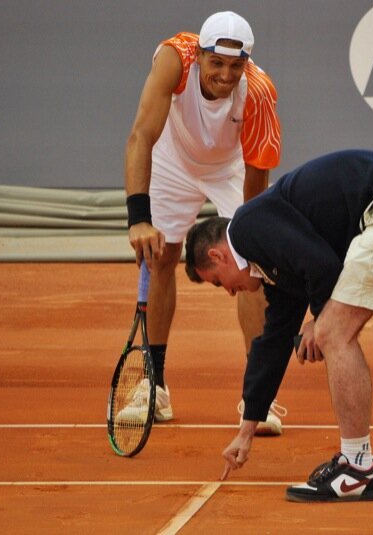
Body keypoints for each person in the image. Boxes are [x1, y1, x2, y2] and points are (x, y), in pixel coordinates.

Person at [184, 149, 373, 502]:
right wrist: (247, 429)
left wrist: (320, 320)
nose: (228, 292)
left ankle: (357, 467)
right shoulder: (267, 255)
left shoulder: (246, 227)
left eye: (217, 282)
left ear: (217, 255)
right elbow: (272, 342)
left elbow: (322, 266)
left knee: (334, 332)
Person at [122, 11, 286, 434]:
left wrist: (253, 241)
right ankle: (154, 386)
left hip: (229, 167)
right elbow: (141, 135)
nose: (225, 74)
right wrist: (139, 219)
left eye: (236, 66)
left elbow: (256, 172)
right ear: (200, 57)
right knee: (161, 258)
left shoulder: (259, 93)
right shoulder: (174, 59)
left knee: (250, 264)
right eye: (217, 63)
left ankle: (257, 395)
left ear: (246, 63)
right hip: (173, 160)